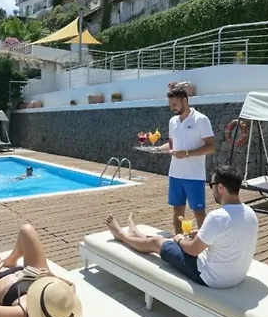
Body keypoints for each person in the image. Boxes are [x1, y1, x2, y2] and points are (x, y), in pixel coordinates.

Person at [105, 166, 259, 288]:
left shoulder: (217, 217)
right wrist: (201, 234)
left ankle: (122, 236)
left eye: (211, 185)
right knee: (167, 242)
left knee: (158, 242)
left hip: (211, 278)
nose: (210, 189)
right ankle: (136, 233)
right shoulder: (250, 213)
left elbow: (193, 250)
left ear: (220, 187)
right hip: (236, 277)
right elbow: (231, 235)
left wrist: (178, 239)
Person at [156, 83, 215, 235]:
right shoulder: (173, 121)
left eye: (174, 104)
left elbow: (210, 147)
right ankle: (178, 240)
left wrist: (187, 153)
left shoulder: (201, 119)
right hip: (175, 174)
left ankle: (204, 244)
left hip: (194, 176)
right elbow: (172, 144)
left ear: (184, 100)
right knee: (177, 210)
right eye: (170, 105)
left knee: (199, 212)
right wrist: (158, 149)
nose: (172, 108)